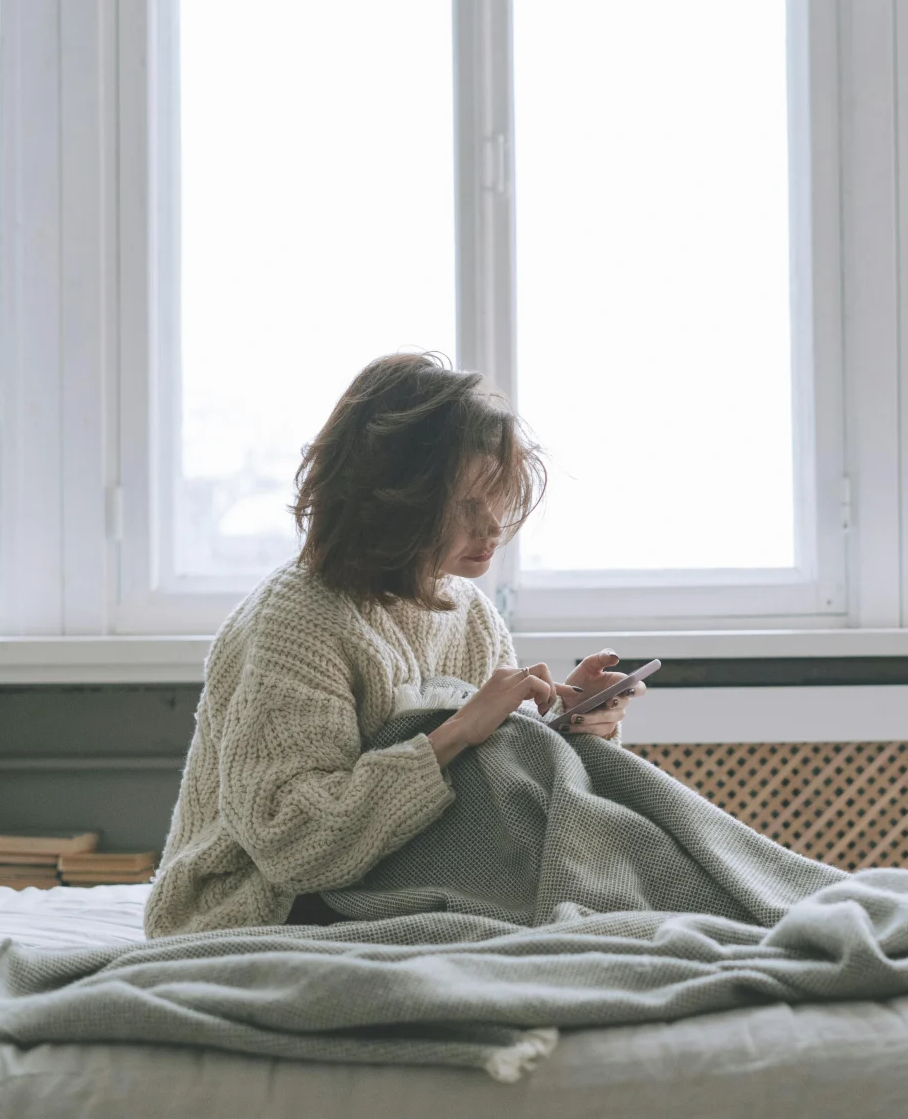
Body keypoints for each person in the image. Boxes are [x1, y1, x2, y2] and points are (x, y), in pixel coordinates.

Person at [144, 353, 644, 938]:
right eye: (464, 506)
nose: (491, 529)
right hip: (259, 904)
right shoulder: (298, 618)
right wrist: (459, 730)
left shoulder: (470, 613)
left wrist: (567, 722)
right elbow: (293, 845)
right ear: (393, 499)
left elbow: (492, 784)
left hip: (388, 878)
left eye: (499, 497)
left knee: (605, 886)